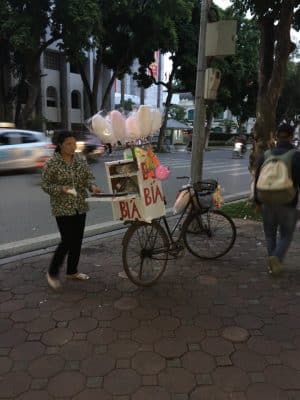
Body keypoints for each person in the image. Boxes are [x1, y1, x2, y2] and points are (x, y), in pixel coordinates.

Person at [41, 131, 101, 290]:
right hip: (62, 207)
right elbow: (45, 185)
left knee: (77, 240)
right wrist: (62, 189)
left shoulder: (80, 161)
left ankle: (72, 271)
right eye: (68, 143)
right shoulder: (52, 163)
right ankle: (52, 273)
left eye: (74, 143)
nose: (72, 146)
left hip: (80, 205)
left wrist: (93, 187)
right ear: (60, 145)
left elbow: (88, 178)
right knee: (67, 240)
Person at [254, 123, 300, 275]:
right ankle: (276, 257)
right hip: (288, 201)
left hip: (266, 199)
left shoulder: (266, 155)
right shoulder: (296, 155)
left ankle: (271, 265)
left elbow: (257, 179)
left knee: (269, 234)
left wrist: (257, 201)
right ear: (292, 136)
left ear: (276, 136)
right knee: (286, 235)